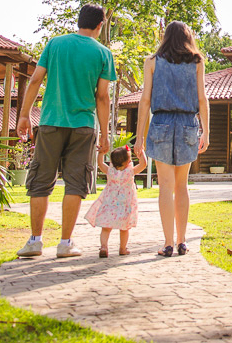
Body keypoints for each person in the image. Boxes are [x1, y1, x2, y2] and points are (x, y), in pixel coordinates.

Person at [15, 4, 116, 259]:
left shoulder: (55, 44)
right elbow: (102, 97)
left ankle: (35, 242)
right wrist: (105, 134)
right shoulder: (103, 53)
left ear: (79, 21)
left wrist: (24, 115)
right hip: (83, 126)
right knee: (75, 184)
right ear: (100, 25)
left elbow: (35, 80)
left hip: (50, 122)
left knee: (40, 182)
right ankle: (65, 243)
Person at [135, 21, 209, 257]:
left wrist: (139, 138)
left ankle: (168, 243)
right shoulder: (197, 61)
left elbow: (145, 100)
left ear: (165, 37)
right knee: (182, 185)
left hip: (161, 123)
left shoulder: (152, 61)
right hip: (188, 123)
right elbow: (202, 99)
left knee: (165, 186)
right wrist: (206, 131)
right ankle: (182, 242)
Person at [85, 145, 143, 257]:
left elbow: (100, 163)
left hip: (109, 205)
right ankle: (122, 248)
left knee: (106, 228)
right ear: (128, 161)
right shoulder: (130, 172)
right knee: (124, 229)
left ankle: (103, 247)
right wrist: (141, 153)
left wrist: (101, 153)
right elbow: (143, 165)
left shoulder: (110, 171)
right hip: (124, 205)